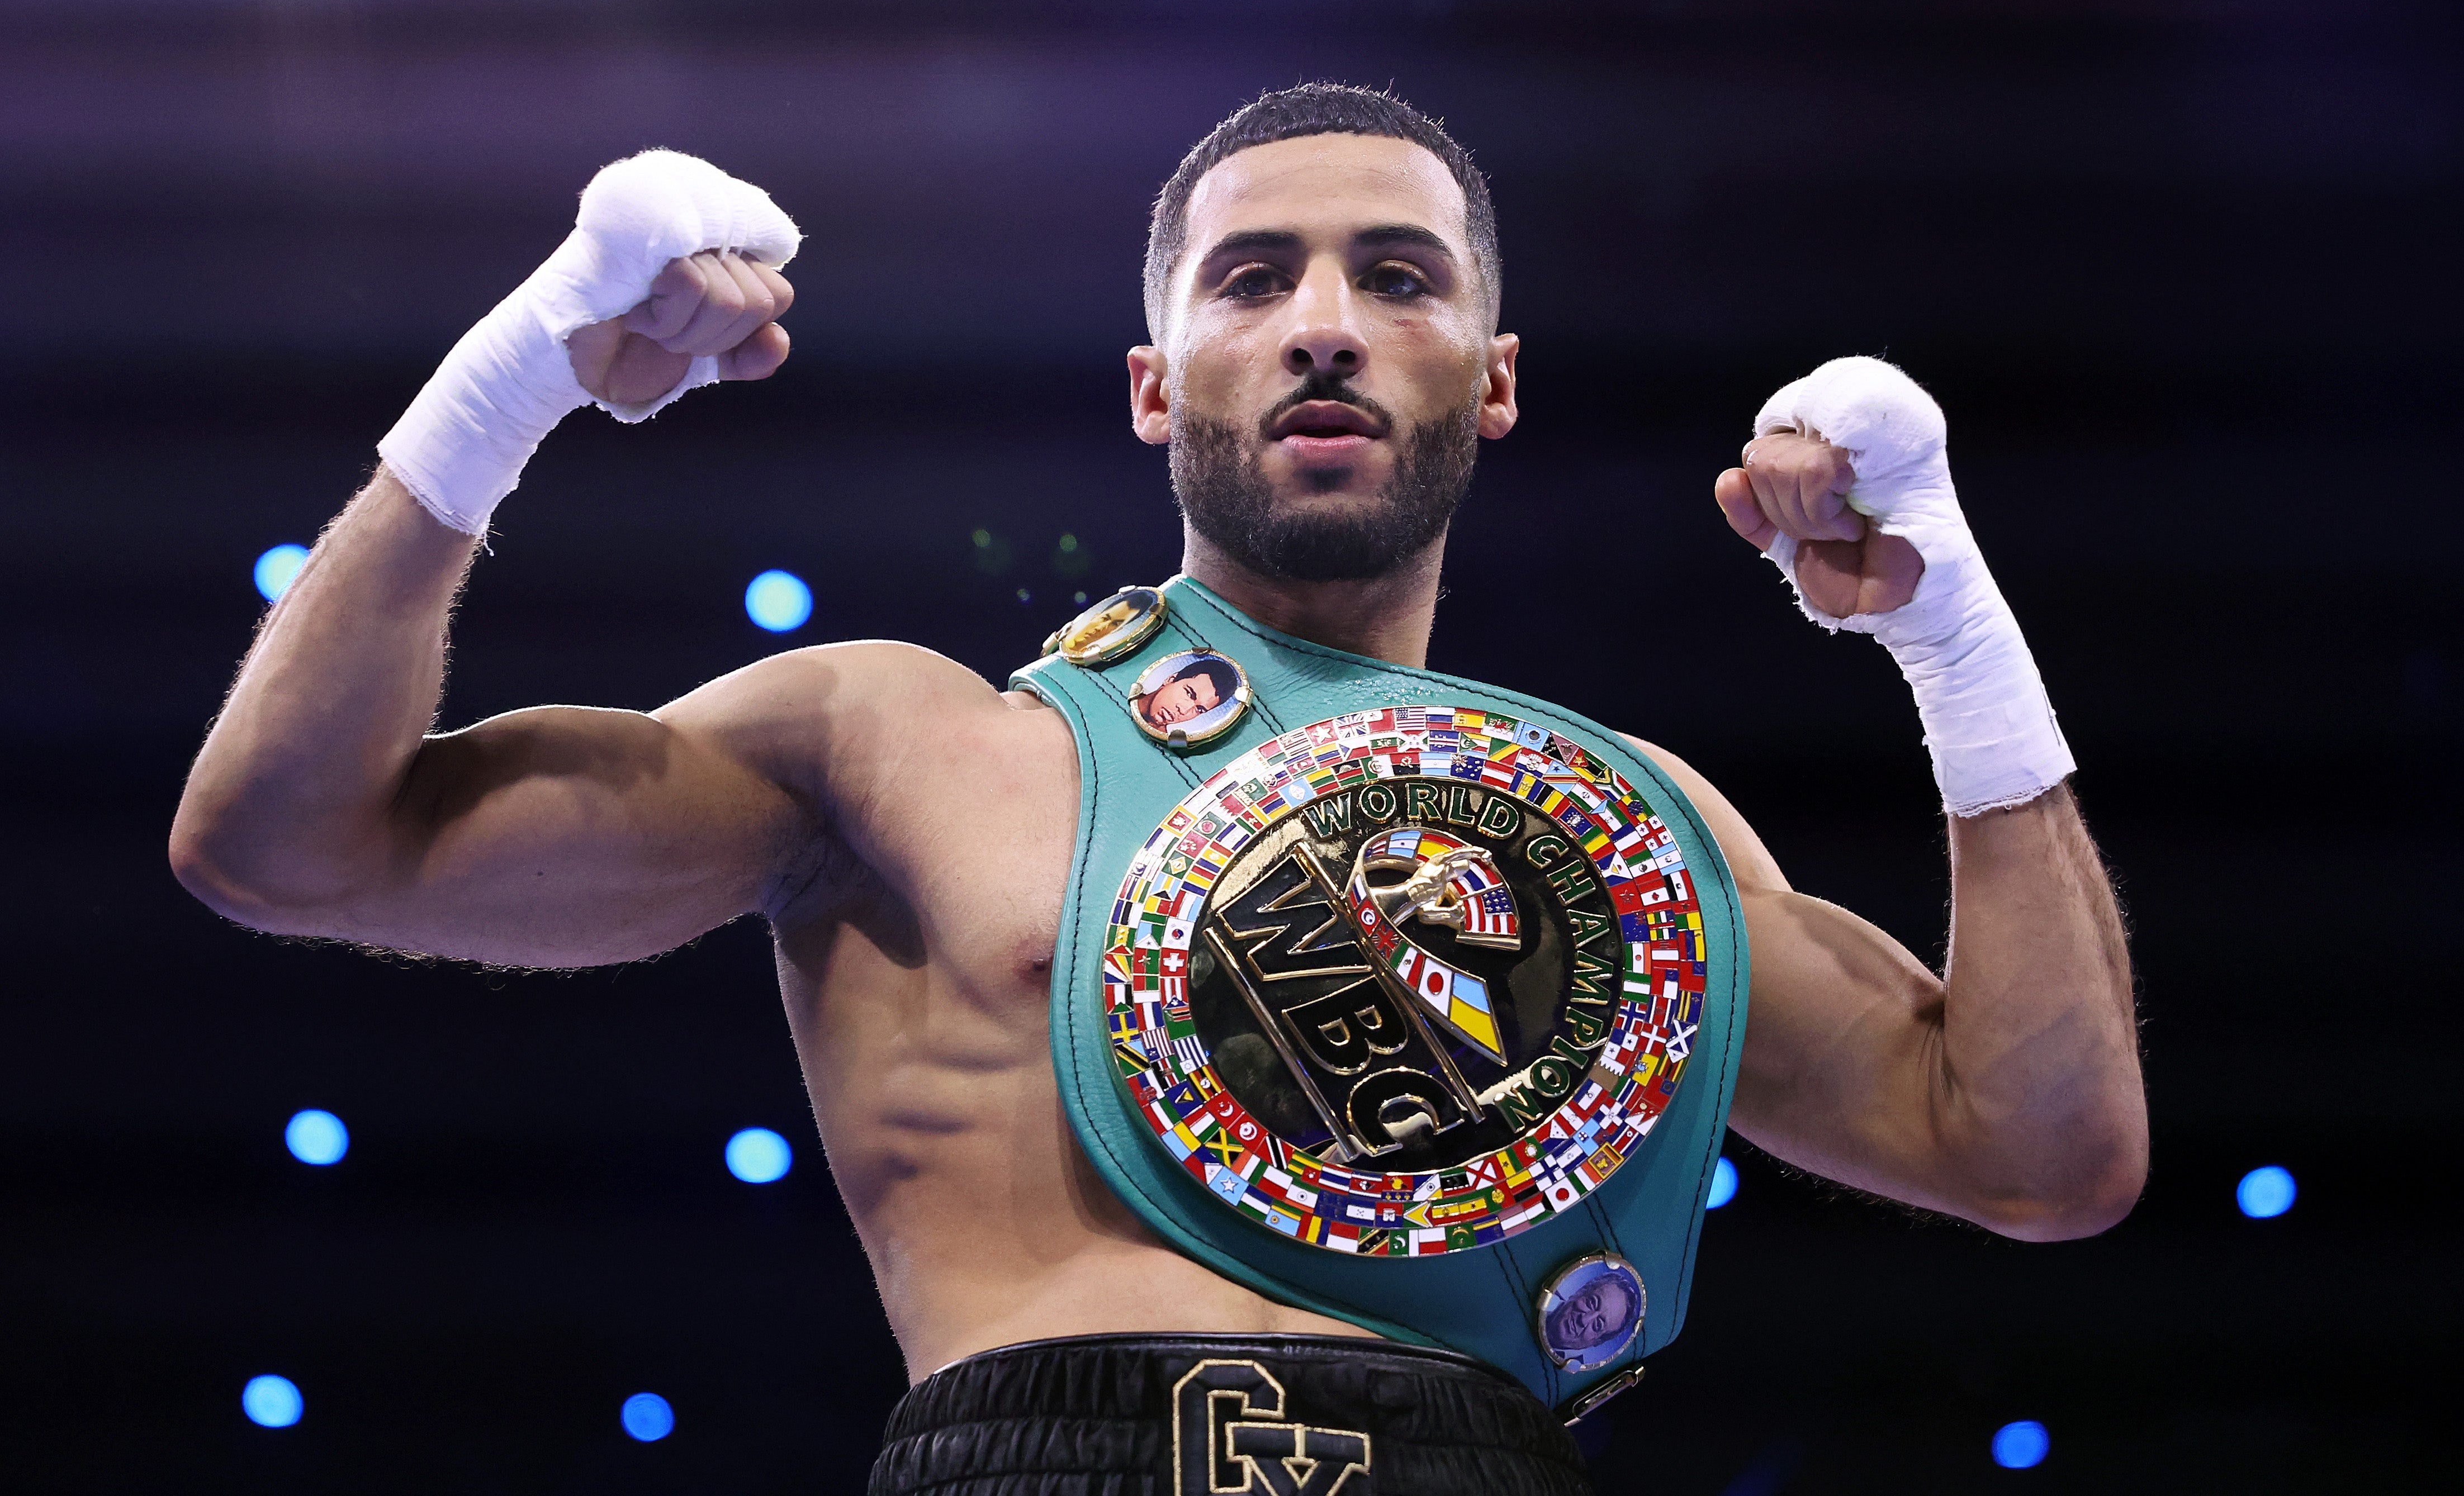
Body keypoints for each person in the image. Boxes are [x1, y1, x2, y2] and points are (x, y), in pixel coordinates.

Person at [171, 86, 2146, 1494]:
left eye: (1398, 275)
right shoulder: (898, 738)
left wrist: (1956, 636)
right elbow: (285, 842)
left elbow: (2040, 1148)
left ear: (1493, 373)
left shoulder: (1633, 824)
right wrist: (515, 373)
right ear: (1153, 380)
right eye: (1251, 278)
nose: (1322, 321)